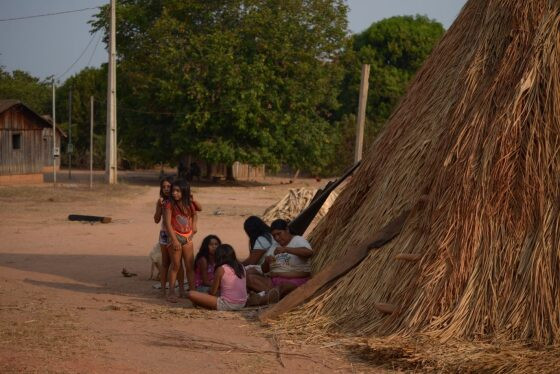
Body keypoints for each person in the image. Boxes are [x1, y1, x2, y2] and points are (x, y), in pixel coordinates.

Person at [246, 219, 313, 306]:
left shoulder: (298, 240)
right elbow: (264, 270)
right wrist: (267, 262)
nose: (277, 238)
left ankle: (260, 300)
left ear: (287, 230)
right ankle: (274, 296)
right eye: (274, 236)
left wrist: (286, 249)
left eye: (279, 234)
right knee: (250, 278)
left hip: (294, 281)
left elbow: (308, 253)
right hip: (273, 282)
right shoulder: (275, 245)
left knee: (284, 288)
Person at [164, 179, 197, 303]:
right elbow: (167, 223)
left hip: (187, 236)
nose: (174, 193)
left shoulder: (189, 204)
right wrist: (174, 240)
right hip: (175, 236)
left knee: (190, 266)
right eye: (173, 191)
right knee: (176, 265)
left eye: (178, 191)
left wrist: (194, 227)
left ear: (184, 191)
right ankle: (172, 291)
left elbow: (195, 215)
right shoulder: (169, 204)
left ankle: (191, 291)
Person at [187, 244, 247, 310]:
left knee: (191, 294)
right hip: (242, 303)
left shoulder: (221, 269)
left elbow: (213, 292)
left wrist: (206, 293)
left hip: (228, 304)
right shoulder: (241, 266)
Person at [153, 176, 178, 296]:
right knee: (165, 262)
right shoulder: (162, 201)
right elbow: (156, 220)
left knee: (176, 262)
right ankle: (163, 289)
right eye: (164, 187)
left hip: (177, 233)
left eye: (169, 186)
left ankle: (172, 289)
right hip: (164, 234)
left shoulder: (177, 199)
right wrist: (159, 207)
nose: (166, 189)